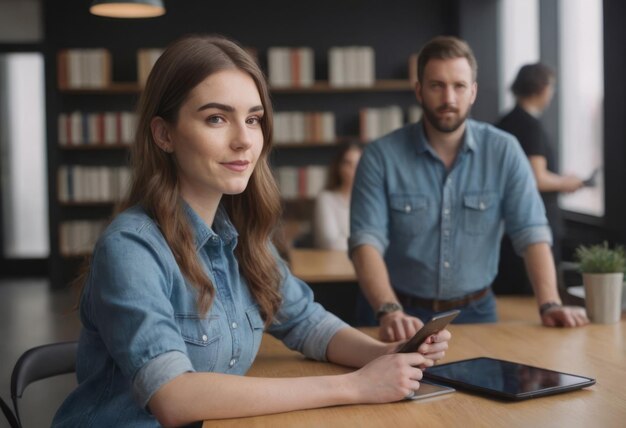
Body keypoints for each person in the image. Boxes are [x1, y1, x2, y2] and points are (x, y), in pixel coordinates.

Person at [51, 35, 451, 427]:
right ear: (164, 134)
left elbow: (309, 324)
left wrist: (387, 353)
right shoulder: (131, 247)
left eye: (253, 119)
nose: (244, 140)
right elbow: (173, 397)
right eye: (216, 118)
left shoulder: (241, 239)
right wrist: (354, 386)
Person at [349, 36, 588, 343]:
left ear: (472, 91)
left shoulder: (504, 150)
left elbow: (531, 232)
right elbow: (366, 241)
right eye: (437, 85)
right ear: (419, 90)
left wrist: (550, 303)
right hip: (396, 314)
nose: (449, 97)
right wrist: (389, 310)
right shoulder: (381, 156)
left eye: (459, 86)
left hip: (476, 315)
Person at [493, 63, 585, 295]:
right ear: (543, 88)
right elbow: (537, 178)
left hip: (506, 226)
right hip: (536, 221)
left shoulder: (505, 121)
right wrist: (567, 183)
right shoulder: (530, 126)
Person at [313, 142, 363, 250]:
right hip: (333, 262)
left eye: (358, 164)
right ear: (338, 167)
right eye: (348, 163)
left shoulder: (369, 200)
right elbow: (330, 243)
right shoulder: (325, 198)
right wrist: (366, 246)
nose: (353, 170)